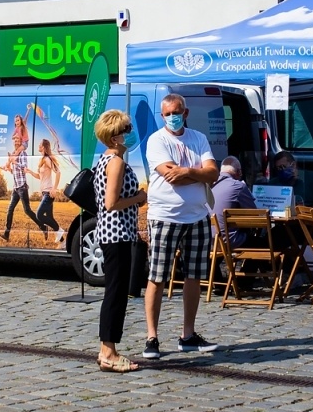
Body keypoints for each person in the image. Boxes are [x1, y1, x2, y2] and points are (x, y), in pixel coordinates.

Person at [142, 93, 221, 360]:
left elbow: (213, 172)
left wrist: (186, 171)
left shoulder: (198, 138)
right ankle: (152, 337)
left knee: (194, 276)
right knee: (158, 276)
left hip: (197, 216)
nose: (173, 117)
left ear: (185, 113)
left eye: (177, 112)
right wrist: (197, 172)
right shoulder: (157, 140)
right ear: (162, 116)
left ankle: (188, 335)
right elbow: (170, 176)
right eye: (167, 113)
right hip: (165, 216)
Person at [93, 110, 146, 373]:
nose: (129, 133)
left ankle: (108, 349)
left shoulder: (105, 160)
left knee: (115, 293)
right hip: (117, 234)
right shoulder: (115, 163)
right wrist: (138, 198)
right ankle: (108, 351)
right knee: (115, 294)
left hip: (112, 233)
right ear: (115, 138)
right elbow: (111, 202)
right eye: (126, 129)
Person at [0, 134, 41, 241]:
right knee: (10, 209)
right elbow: (15, 172)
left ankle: (42, 226)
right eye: (15, 140)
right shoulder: (13, 154)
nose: (16, 142)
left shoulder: (23, 154)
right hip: (15, 188)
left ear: (21, 142)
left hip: (22, 187)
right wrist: (9, 169)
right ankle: (6, 234)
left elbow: (24, 168)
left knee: (27, 210)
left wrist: (14, 162)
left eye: (18, 140)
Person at [210, 156, 258, 247]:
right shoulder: (238, 186)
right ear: (239, 172)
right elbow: (255, 215)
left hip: (210, 242)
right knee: (265, 241)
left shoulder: (210, 185)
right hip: (229, 242)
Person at [271, 152, 313, 221]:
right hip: (284, 221)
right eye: (278, 169)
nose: (281, 171)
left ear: (293, 165)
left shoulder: (312, 177)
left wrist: (307, 211)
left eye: (283, 167)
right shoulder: (274, 183)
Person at [32, 138, 63, 245]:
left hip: (49, 193)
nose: (38, 146)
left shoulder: (47, 159)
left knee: (39, 215)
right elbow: (39, 177)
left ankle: (59, 230)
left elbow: (58, 172)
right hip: (44, 193)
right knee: (49, 218)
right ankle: (63, 242)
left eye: (40, 144)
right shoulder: (42, 160)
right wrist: (29, 172)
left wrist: (54, 188)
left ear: (44, 147)